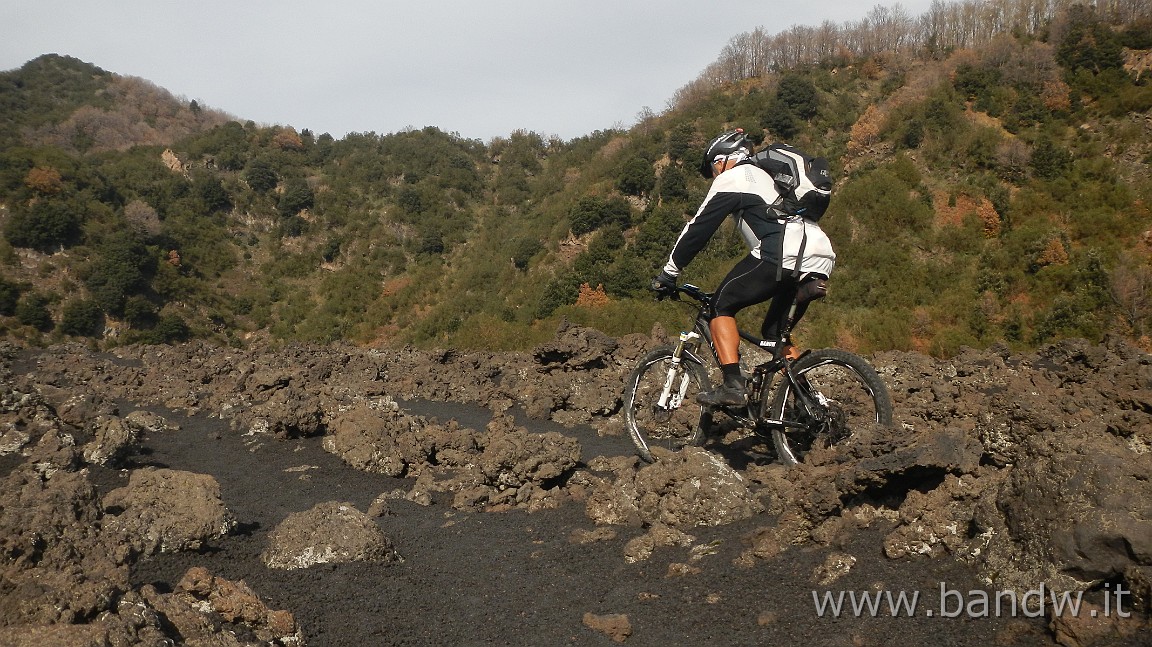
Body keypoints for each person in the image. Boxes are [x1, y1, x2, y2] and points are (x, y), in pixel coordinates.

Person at [651, 128, 836, 406]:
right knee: (775, 335)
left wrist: (670, 272)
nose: (715, 175)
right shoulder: (771, 179)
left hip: (782, 253)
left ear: (723, 160)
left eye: (713, 167)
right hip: (819, 254)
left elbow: (699, 229)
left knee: (719, 306)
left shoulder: (735, 177)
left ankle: (733, 386)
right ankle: (809, 403)